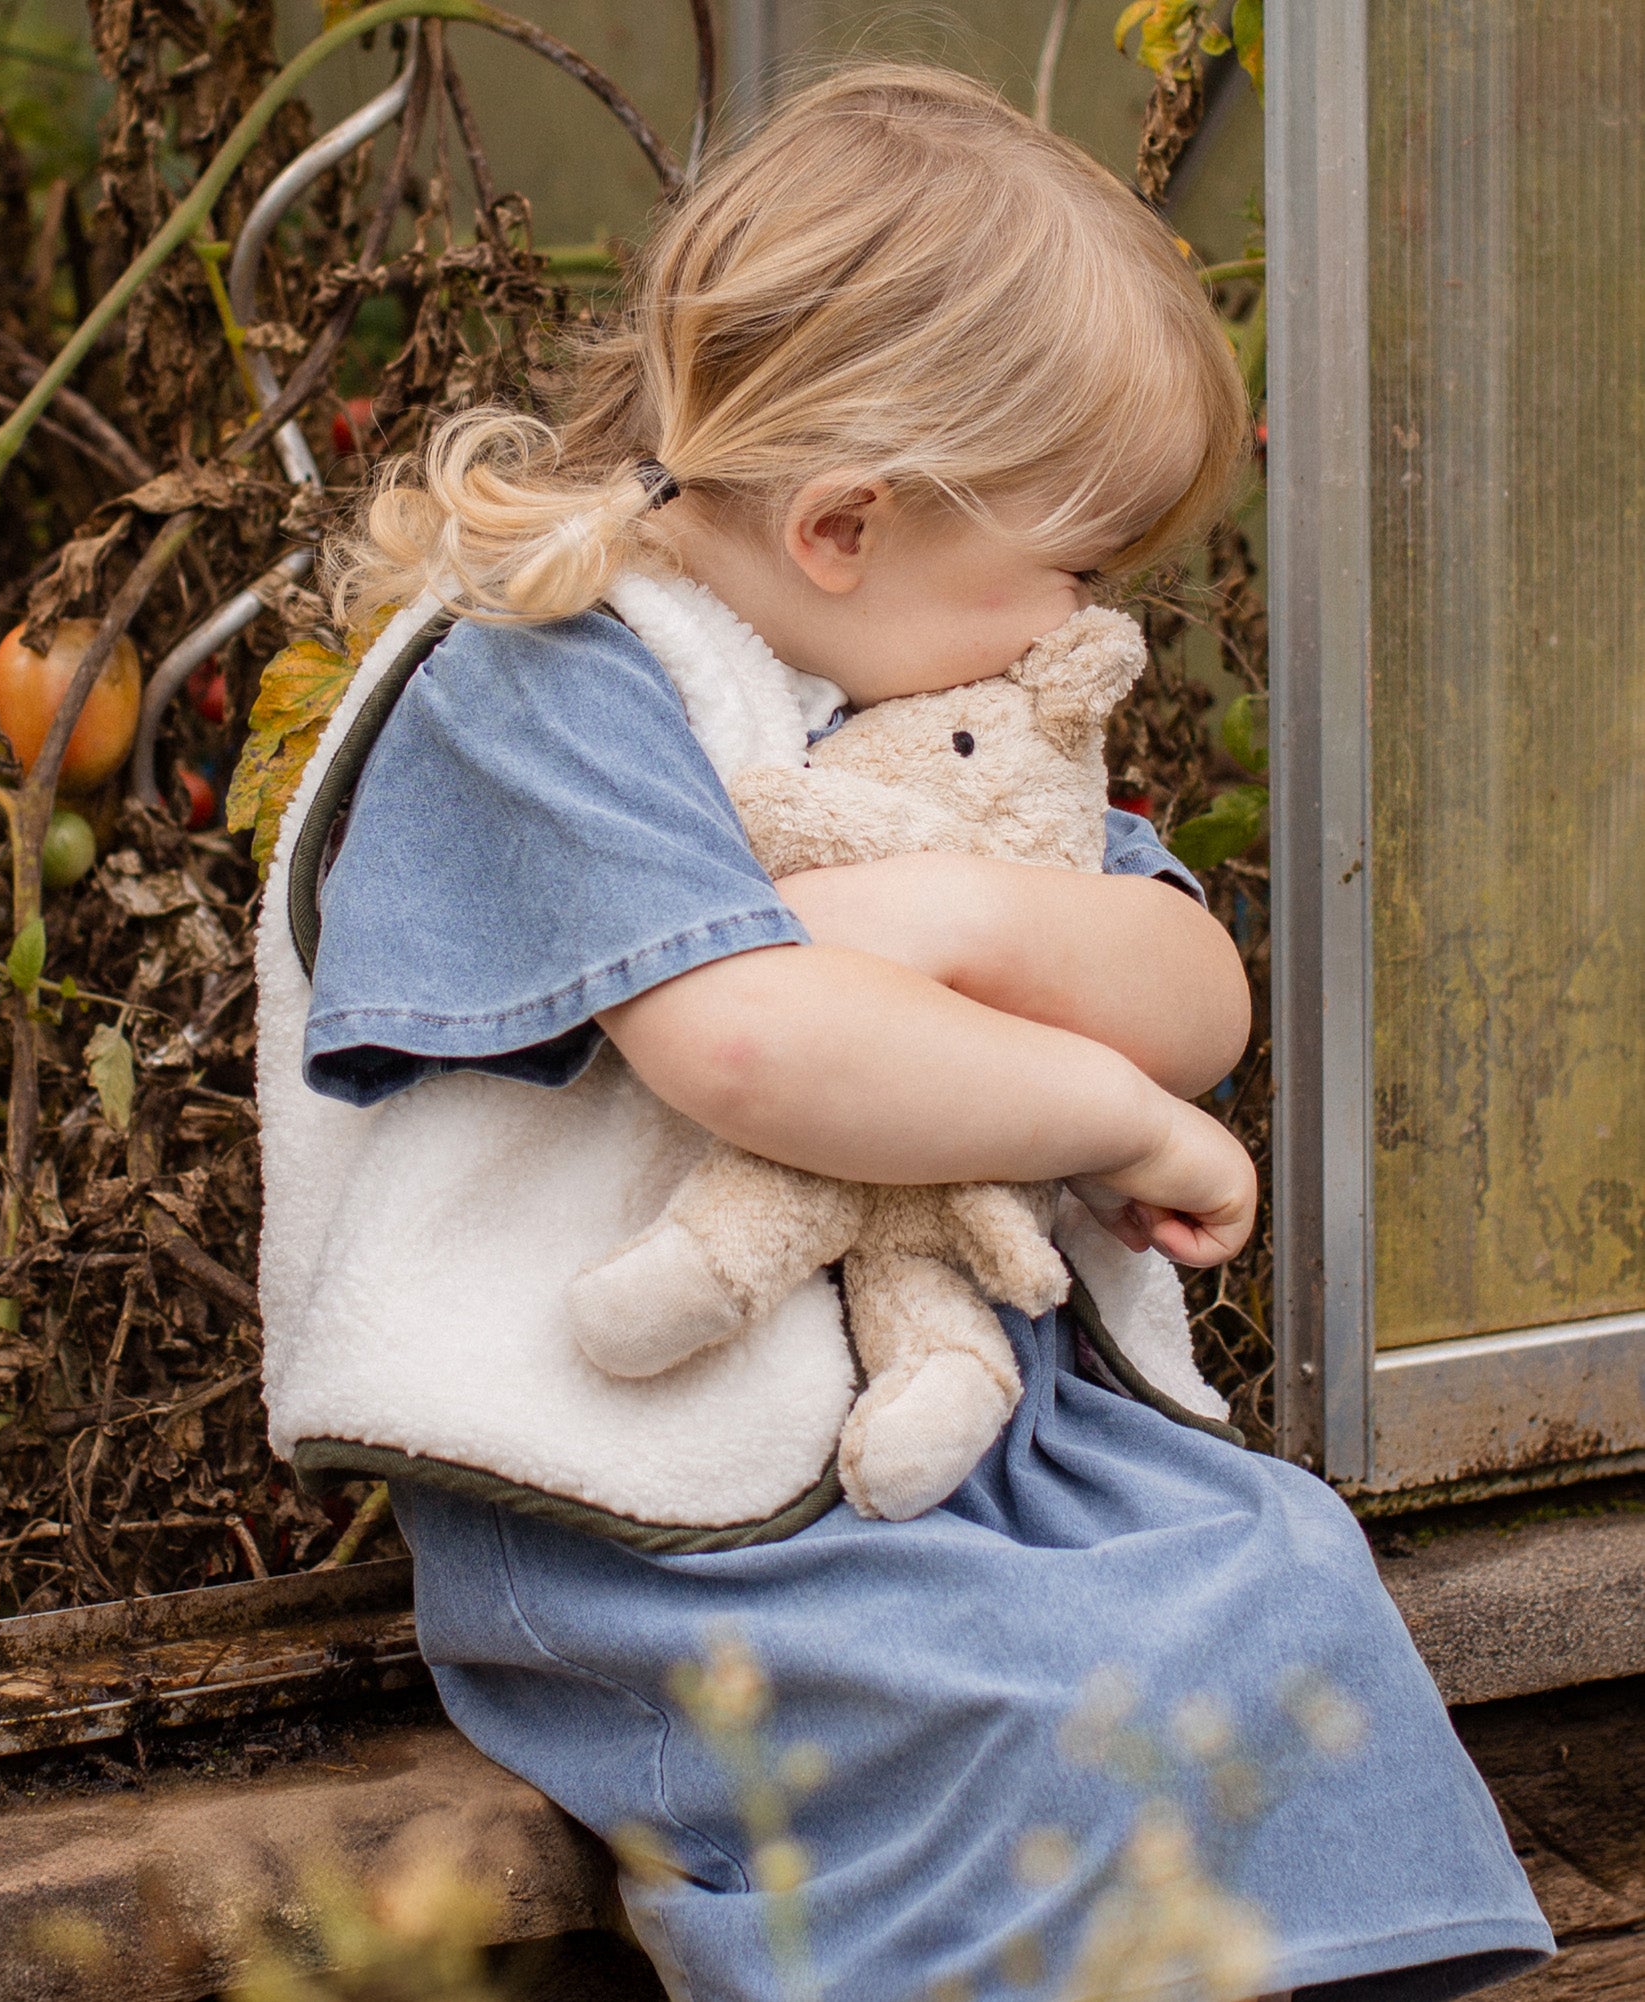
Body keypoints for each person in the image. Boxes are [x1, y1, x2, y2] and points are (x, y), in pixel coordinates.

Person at [286, 65, 1553, 2002]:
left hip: (970, 1440)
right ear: (845, 525)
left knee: (1278, 1563)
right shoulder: (541, 679)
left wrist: (968, 912)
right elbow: (754, 1048)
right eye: (1070, 566)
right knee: (1015, 1701)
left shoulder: (941, 705)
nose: (1080, 632)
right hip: (655, 1497)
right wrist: (1108, 1117)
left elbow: (1194, 987)